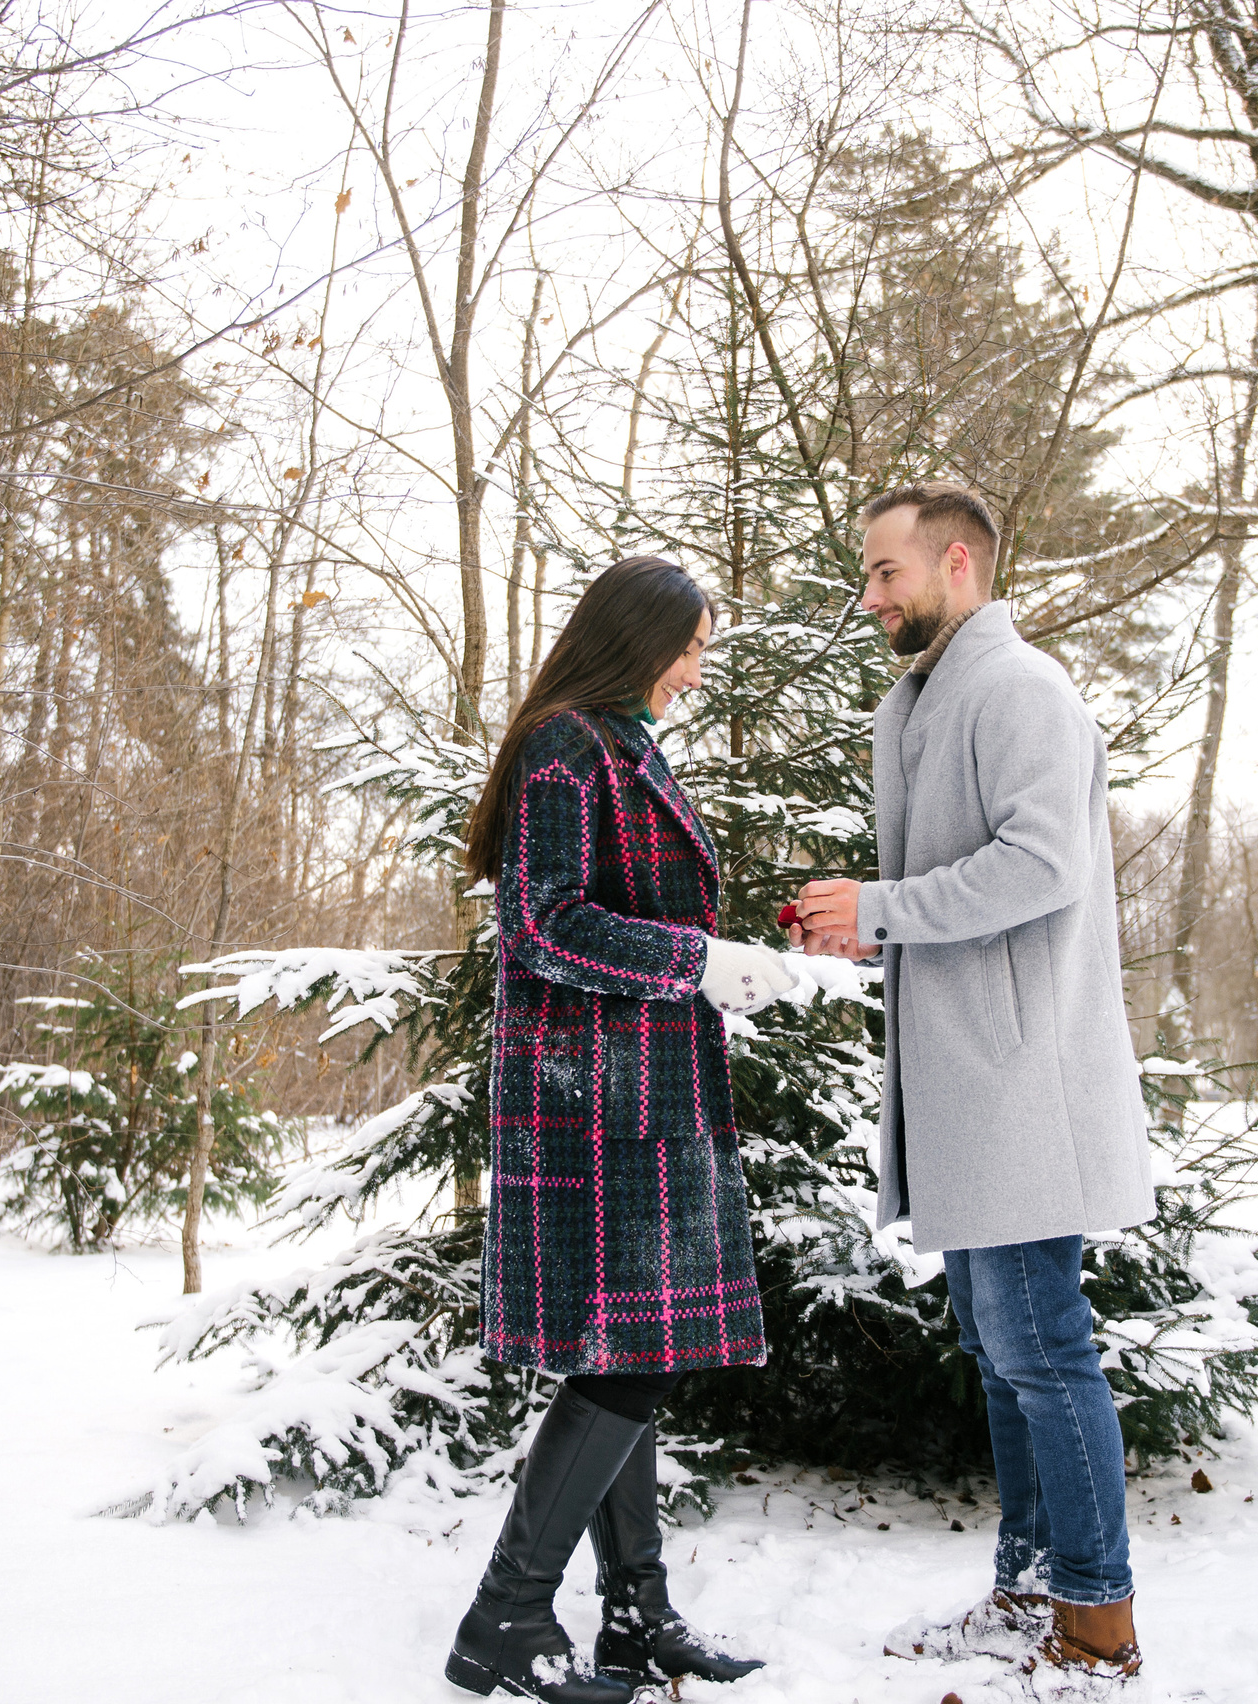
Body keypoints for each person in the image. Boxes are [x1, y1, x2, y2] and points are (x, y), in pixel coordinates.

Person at [791, 484, 1153, 1687]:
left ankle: (1096, 1622)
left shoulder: (1019, 689)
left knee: (1043, 1350)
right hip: (966, 1084)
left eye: (886, 571)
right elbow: (954, 886)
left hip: (1020, 1082)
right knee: (1005, 1358)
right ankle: (1028, 1593)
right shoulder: (925, 700)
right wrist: (864, 925)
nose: (869, 596)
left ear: (957, 564)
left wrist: (885, 908)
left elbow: (1043, 866)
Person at [446, 555, 793, 1704]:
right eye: (687, 648)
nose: (695, 670)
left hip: (641, 1092)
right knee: (632, 1367)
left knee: (636, 1356)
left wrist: (722, 963)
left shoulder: (623, 745)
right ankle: (503, 1618)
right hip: (588, 1105)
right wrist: (696, 962)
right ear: (636, 641)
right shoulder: (565, 746)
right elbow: (542, 923)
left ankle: (636, 1617)